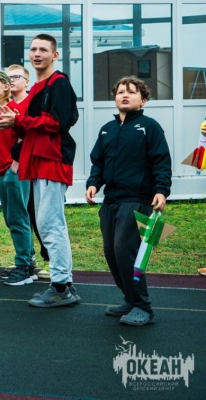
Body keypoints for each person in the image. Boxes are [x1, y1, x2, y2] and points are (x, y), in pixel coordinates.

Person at [0, 34, 79, 307]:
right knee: (45, 224)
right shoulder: (39, 88)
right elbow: (32, 124)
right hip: (38, 162)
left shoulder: (58, 82)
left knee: (51, 225)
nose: (37, 53)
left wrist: (19, 120)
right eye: (33, 49)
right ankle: (63, 284)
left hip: (52, 160)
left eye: (43, 49)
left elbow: (58, 122)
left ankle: (62, 286)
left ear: (55, 55)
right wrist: (15, 123)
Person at [85, 77, 171, 326]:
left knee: (125, 251)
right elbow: (98, 163)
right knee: (111, 253)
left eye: (132, 92)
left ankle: (143, 307)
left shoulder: (149, 126)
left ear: (143, 101)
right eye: (120, 92)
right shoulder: (107, 129)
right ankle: (130, 299)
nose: (125, 95)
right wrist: (93, 183)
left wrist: (161, 191)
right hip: (110, 201)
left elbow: (161, 161)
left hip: (137, 200)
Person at [0, 70, 35, 286]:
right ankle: (28, 262)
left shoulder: (14, 110)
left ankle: (23, 267)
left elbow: (27, 138)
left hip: (13, 171)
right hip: (2, 171)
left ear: (6, 87)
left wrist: (15, 167)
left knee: (18, 219)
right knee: (11, 219)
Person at [6, 63, 49, 279]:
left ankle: (51, 261)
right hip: (11, 171)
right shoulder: (5, 106)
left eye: (16, 77)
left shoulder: (31, 104)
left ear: (27, 81)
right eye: (9, 78)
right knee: (18, 217)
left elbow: (33, 134)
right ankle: (28, 259)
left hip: (32, 169)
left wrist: (17, 160)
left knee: (39, 216)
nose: (12, 81)